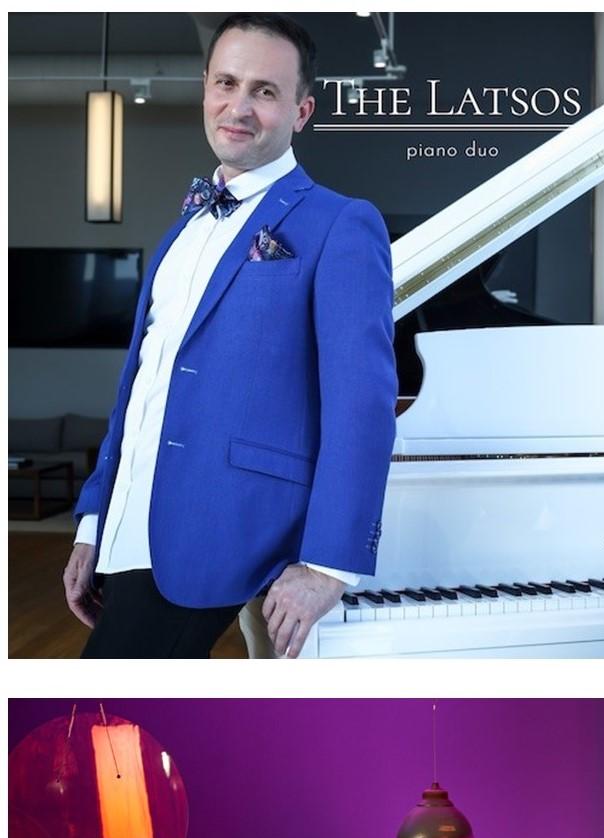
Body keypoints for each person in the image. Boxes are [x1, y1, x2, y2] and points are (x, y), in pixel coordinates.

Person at [64, 14, 397, 659]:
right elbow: (141, 386)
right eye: (226, 82)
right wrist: (94, 520)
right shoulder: (180, 230)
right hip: (133, 535)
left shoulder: (341, 224)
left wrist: (328, 565)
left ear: (301, 111)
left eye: (265, 92)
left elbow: (362, 402)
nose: (238, 107)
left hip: (236, 528)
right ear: (206, 90)